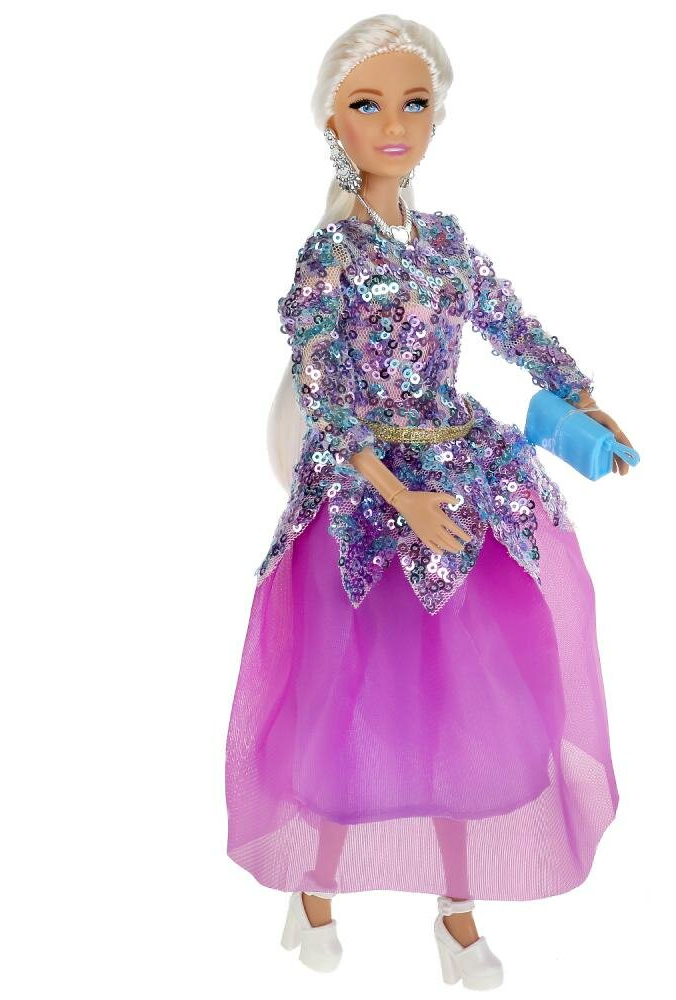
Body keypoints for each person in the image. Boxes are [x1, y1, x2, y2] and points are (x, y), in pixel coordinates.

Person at [224, 14, 635, 989]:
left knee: (471, 706)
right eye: (369, 105)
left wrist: (577, 395)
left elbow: (509, 321)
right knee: (349, 701)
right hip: (366, 503)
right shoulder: (330, 254)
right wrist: (399, 498)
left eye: (413, 103)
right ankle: (314, 889)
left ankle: (459, 910)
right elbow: (326, 395)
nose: (395, 125)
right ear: (333, 120)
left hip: (460, 485)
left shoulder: (445, 242)